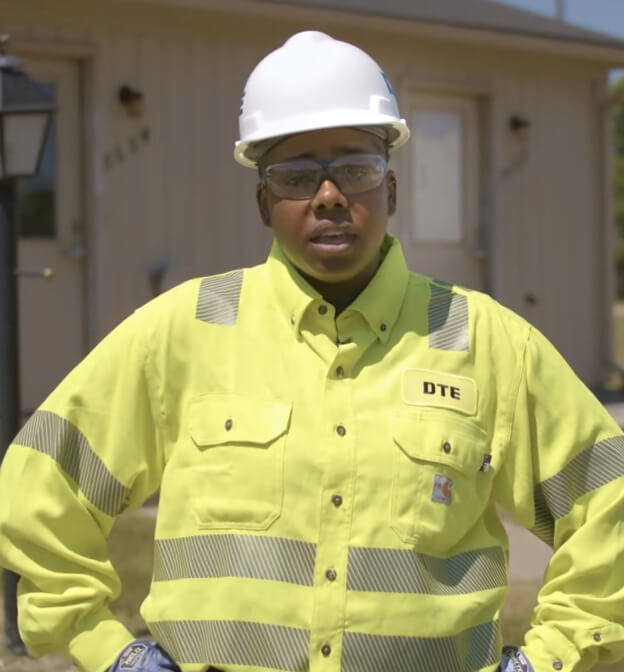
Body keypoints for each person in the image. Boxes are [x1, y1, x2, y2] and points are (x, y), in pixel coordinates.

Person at [0, 29, 623, 672]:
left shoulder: (485, 343)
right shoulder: (184, 331)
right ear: (264, 202)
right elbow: (40, 487)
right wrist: (110, 651)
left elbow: (611, 503)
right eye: (297, 176)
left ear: (392, 190)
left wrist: (549, 659)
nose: (329, 196)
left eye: (355, 169)